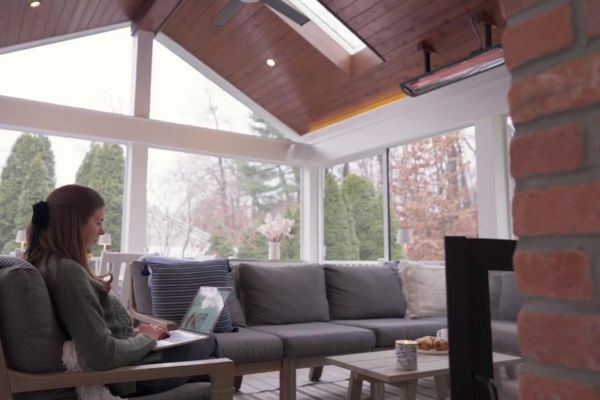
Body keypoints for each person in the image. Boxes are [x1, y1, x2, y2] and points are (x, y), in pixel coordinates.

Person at [25, 184, 218, 396]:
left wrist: (137, 334)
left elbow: (93, 332)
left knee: (204, 356)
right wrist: (147, 339)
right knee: (207, 341)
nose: (102, 231)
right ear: (73, 224)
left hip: (132, 364)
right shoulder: (69, 273)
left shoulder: (47, 262)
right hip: (130, 377)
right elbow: (102, 355)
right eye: (97, 222)